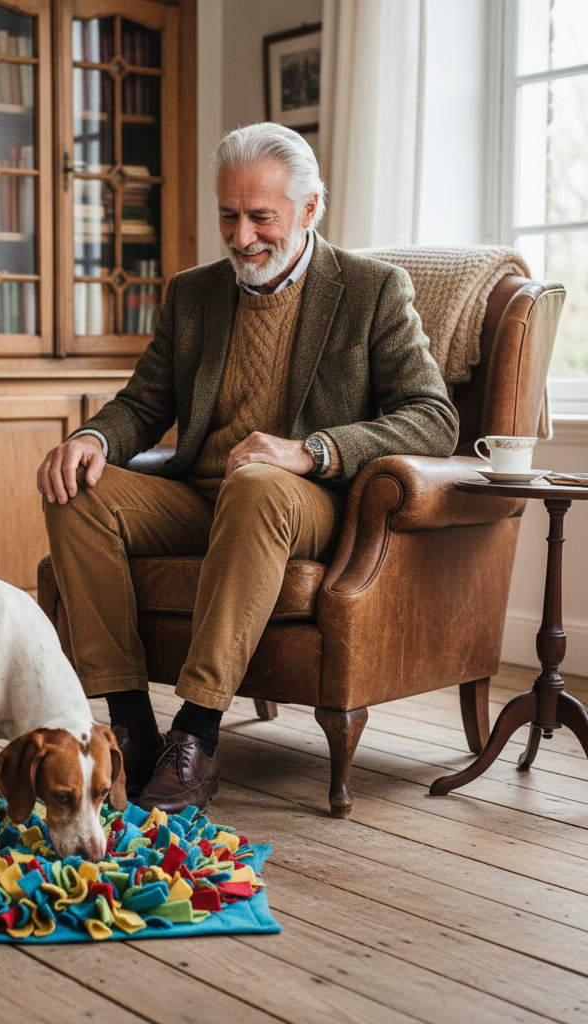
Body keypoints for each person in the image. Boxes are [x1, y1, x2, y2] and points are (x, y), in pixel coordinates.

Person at [37, 122, 459, 815]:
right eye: (228, 216)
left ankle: (196, 735)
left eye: (260, 217)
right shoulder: (193, 294)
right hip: (201, 496)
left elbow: (434, 417)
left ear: (310, 208)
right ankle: (135, 732)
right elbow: (144, 402)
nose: (240, 238)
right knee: (74, 489)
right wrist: (92, 438)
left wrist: (310, 450)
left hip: (304, 501)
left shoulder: (373, 290)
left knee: (260, 483)